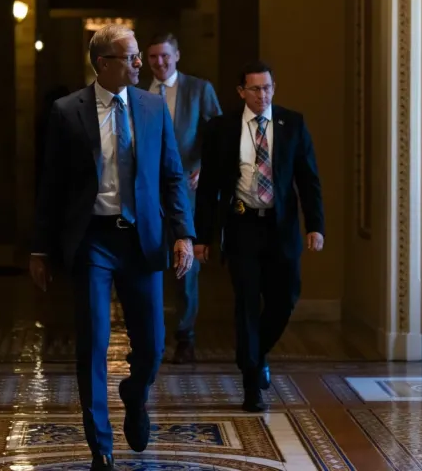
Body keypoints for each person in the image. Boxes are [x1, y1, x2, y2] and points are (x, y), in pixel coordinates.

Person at [29, 24, 195, 471]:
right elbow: (51, 186)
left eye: (140, 56)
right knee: (94, 342)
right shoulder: (67, 112)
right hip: (92, 240)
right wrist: (40, 249)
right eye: (131, 57)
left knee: (153, 345)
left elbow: (172, 176)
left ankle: (135, 396)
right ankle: (99, 444)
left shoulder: (152, 106)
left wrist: (183, 234)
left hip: (142, 239)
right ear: (103, 64)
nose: (141, 64)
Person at [193, 60, 324, 412]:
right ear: (241, 92)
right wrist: (201, 237)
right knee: (247, 304)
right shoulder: (221, 128)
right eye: (255, 89)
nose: (262, 95)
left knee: (285, 299)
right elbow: (207, 188)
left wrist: (315, 226)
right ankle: (252, 383)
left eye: (267, 88)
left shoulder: (292, 124)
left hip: (280, 228)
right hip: (242, 226)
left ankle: (255, 353)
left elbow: (308, 179)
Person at [146, 32, 222, 363]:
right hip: (148, 193)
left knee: (186, 269)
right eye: (153, 58)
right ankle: (151, 335)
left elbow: (218, 137)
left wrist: (205, 168)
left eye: (165, 56)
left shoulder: (199, 89)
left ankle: (185, 336)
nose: (159, 63)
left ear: (177, 55)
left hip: (186, 194)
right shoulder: (137, 93)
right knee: (148, 263)